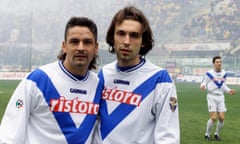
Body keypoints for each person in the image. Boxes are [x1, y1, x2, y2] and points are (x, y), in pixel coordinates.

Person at [0, 17, 103, 144]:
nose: (80, 47)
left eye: (87, 42)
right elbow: (9, 135)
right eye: (74, 42)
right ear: (64, 46)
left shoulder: (99, 85)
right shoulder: (38, 80)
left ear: (96, 47)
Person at [94, 6, 180, 144]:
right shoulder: (103, 74)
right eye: (121, 33)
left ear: (143, 41)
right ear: (112, 37)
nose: (126, 41)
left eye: (134, 35)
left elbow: (168, 136)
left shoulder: (160, 79)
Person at [200, 56, 236, 141]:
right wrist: (203, 85)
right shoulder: (209, 73)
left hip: (221, 97)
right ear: (213, 63)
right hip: (211, 96)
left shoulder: (224, 73)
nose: (219, 63)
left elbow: (222, 85)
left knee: (222, 118)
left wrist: (229, 90)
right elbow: (204, 82)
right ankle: (207, 134)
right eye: (217, 62)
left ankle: (217, 134)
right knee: (213, 118)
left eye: (220, 62)